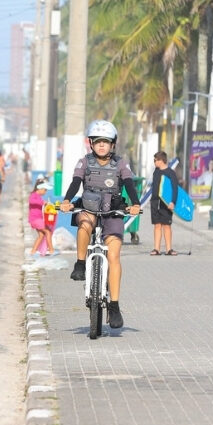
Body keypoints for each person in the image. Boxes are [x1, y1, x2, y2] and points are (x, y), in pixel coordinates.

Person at [59, 120, 141, 329]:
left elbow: (129, 184)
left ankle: (114, 306)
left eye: (106, 142)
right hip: (90, 207)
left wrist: (135, 204)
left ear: (113, 144)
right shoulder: (84, 162)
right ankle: (80, 263)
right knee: (84, 223)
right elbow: (75, 182)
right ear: (91, 144)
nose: (102, 145)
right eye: (97, 141)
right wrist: (67, 201)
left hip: (113, 211)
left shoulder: (121, 164)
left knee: (114, 255)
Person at [149, 151, 180, 256]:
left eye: (155, 160)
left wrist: (173, 202)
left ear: (161, 160)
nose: (154, 162)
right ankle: (156, 249)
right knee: (157, 225)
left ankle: (169, 249)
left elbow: (175, 189)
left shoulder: (171, 173)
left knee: (167, 225)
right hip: (155, 202)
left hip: (166, 203)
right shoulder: (156, 172)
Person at [28, 178, 55, 256]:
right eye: (45, 190)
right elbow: (31, 201)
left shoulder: (38, 196)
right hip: (35, 219)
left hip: (37, 219)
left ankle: (33, 251)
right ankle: (51, 250)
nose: (45, 192)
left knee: (41, 235)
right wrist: (42, 202)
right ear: (40, 188)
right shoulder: (33, 195)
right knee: (48, 232)